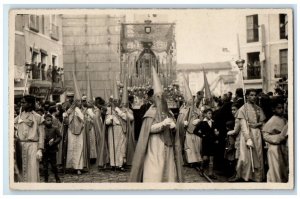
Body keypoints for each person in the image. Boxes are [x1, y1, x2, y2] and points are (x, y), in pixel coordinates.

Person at [129, 67, 183, 182]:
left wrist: (173, 127)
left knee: (168, 167)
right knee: (155, 168)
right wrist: (162, 124)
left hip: (167, 144)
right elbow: (149, 129)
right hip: (155, 144)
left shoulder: (168, 111)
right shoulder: (151, 112)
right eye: (158, 97)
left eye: (162, 97)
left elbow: (174, 126)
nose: (161, 99)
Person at [236, 89, 266, 182]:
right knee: (247, 157)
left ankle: (257, 176)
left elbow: (262, 122)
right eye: (251, 95)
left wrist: (259, 128)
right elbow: (243, 126)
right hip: (247, 134)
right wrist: (247, 138)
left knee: (258, 154)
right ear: (247, 96)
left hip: (257, 134)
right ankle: (247, 176)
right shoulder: (242, 109)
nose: (253, 97)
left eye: (255, 95)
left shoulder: (258, 108)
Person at [14, 95, 45, 182]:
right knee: (21, 171)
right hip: (20, 146)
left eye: (24, 102)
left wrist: (40, 149)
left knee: (32, 170)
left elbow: (41, 135)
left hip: (33, 146)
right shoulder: (19, 117)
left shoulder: (38, 117)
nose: (21, 104)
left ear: (30, 104)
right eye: (21, 102)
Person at [262, 97, 288, 182]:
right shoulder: (272, 120)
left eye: (282, 108)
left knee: (282, 169)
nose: (282, 110)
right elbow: (265, 135)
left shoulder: (284, 119)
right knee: (275, 169)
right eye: (279, 108)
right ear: (273, 109)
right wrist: (278, 138)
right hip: (274, 149)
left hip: (282, 148)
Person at [105, 87, 127, 171]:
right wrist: (109, 120)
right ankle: (113, 164)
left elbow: (125, 118)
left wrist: (118, 110)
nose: (116, 102)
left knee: (121, 146)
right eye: (114, 101)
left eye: (117, 100)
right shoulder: (109, 110)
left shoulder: (123, 109)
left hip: (120, 128)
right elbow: (106, 122)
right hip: (112, 129)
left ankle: (120, 164)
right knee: (113, 146)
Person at [194, 108, 219, 179]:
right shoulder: (202, 123)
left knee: (211, 158)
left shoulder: (213, 122)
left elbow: (215, 131)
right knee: (205, 158)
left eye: (211, 114)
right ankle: (201, 169)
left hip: (212, 142)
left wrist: (216, 137)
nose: (210, 115)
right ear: (205, 114)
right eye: (209, 113)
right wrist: (202, 135)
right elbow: (195, 131)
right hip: (205, 142)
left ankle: (210, 173)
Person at [64, 99, 85, 175]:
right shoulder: (70, 110)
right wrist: (69, 111)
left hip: (79, 131)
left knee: (78, 148)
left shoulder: (79, 110)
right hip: (71, 130)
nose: (78, 103)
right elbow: (64, 116)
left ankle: (78, 167)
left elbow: (82, 118)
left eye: (79, 102)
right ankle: (71, 166)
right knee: (71, 148)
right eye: (76, 102)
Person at [42, 114, 62, 183]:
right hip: (45, 149)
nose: (49, 122)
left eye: (50, 120)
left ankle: (57, 177)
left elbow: (59, 137)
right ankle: (46, 179)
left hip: (52, 149)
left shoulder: (55, 128)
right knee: (45, 165)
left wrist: (54, 142)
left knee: (54, 165)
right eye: (47, 120)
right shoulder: (42, 129)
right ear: (44, 121)